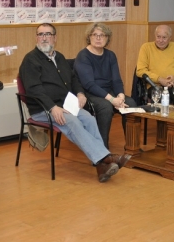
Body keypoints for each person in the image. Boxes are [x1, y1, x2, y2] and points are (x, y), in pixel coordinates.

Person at [19, 23, 131, 183]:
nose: (44, 38)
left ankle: (101, 165)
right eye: (41, 34)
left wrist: (80, 93)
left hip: (65, 105)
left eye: (48, 34)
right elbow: (34, 89)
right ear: (36, 37)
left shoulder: (59, 57)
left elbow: (74, 79)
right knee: (71, 122)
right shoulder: (31, 60)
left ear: (55, 38)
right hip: (43, 108)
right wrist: (52, 107)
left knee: (89, 119)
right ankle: (108, 157)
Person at [74, 23, 137, 149]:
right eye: (95, 35)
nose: (98, 38)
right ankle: (102, 149)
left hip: (110, 92)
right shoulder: (83, 56)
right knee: (105, 107)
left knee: (131, 103)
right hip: (91, 94)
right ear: (89, 37)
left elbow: (117, 80)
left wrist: (120, 96)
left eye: (102, 35)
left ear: (107, 38)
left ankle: (132, 146)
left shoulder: (110, 55)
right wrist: (112, 100)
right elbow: (89, 84)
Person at [136, 24, 174, 104]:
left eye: (164, 37)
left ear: (170, 38)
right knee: (161, 99)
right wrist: (159, 79)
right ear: (155, 36)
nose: (160, 40)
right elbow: (140, 71)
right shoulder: (146, 48)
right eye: (158, 37)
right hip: (155, 86)